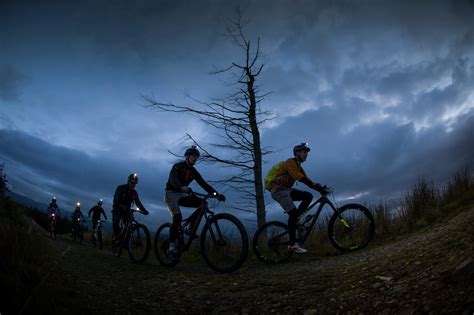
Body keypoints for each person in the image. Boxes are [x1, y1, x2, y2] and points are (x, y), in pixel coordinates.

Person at [266, 143, 329, 253]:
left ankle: (296, 220)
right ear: (297, 153)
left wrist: (319, 189)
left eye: (307, 153)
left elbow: (307, 180)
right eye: (304, 152)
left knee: (308, 196)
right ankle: (292, 244)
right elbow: (299, 177)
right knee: (293, 213)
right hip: (278, 190)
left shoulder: (299, 166)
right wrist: (316, 187)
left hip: (287, 190)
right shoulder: (290, 162)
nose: (306, 154)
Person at [164, 146, 225, 259]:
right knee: (177, 218)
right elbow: (173, 180)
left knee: (203, 203)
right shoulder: (178, 166)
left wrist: (216, 194)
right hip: (171, 193)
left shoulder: (193, 171)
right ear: (187, 156)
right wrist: (182, 186)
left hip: (183, 194)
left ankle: (189, 228)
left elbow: (203, 184)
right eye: (193, 156)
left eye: (196, 157)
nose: (195, 158)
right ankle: (171, 247)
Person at [112, 173, 149, 239]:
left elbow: (138, 202)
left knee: (130, 225)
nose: (133, 184)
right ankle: (116, 237)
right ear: (128, 181)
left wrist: (144, 210)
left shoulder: (134, 193)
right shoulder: (121, 188)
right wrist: (120, 205)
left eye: (135, 183)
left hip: (126, 210)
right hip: (117, 208)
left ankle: (126, 241)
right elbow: (116, 200)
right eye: (132, 182)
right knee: (116, 222)